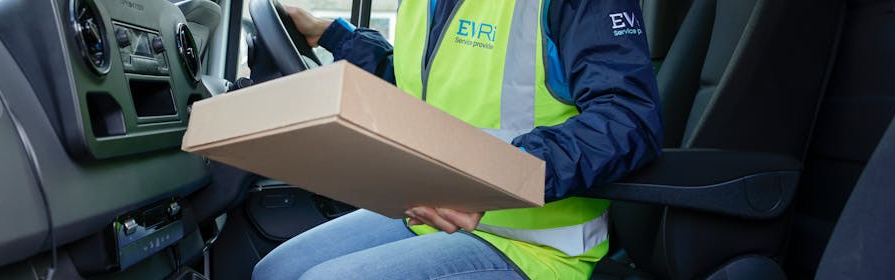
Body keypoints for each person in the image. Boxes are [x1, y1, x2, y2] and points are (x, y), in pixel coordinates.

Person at [253, 0, 662, 279]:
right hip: (431, 214)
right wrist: (332, 35)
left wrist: (491, 177)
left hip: (537, 246)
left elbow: (628, 118)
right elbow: (421, 86)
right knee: (273, 271)